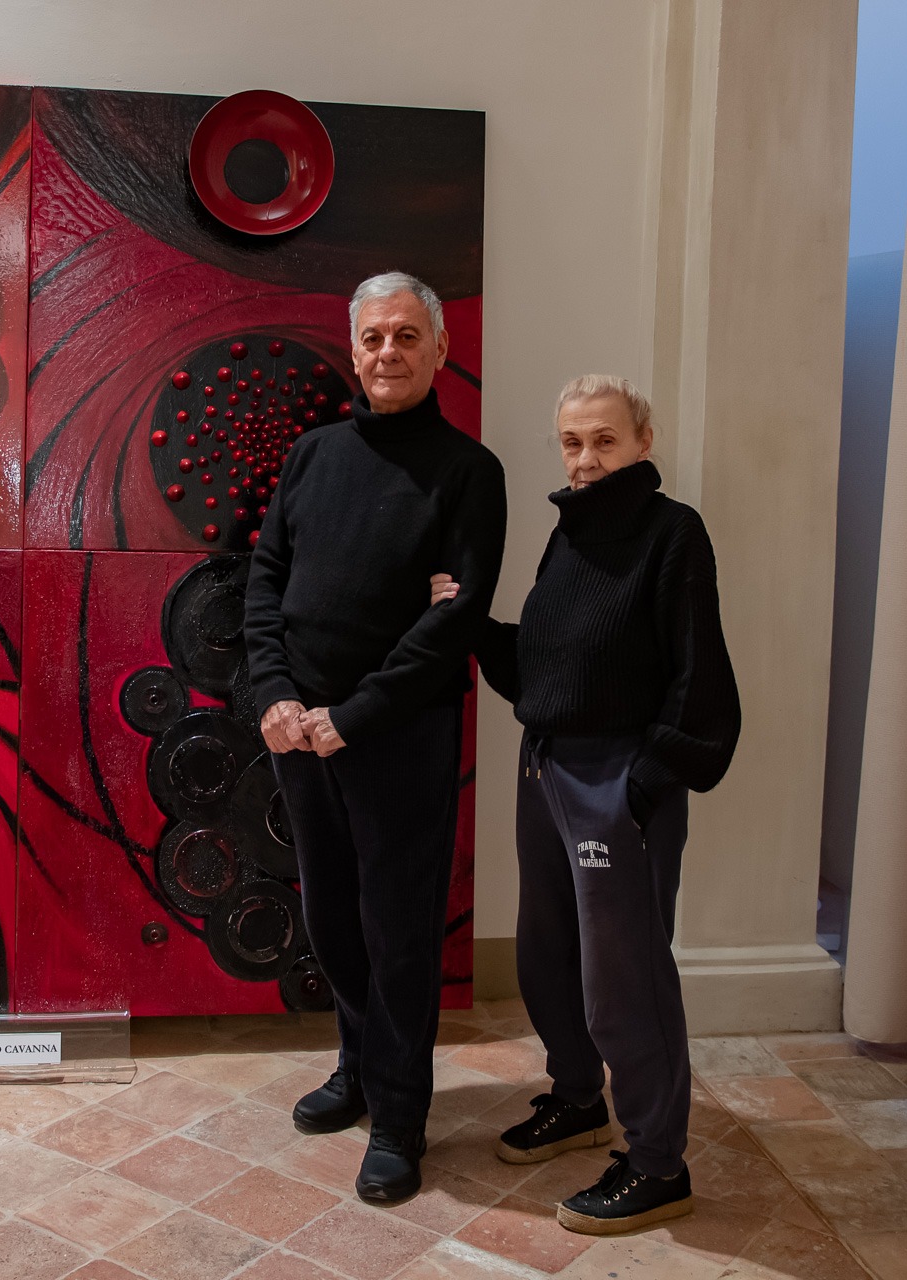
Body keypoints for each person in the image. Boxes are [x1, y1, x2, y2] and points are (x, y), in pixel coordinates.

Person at [431, 374, 739, 1234]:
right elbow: (547, 663)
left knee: (623, 979)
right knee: (547, 956)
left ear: (644, 441)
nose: (587, 459)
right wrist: (468, 621)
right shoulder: (568, 535)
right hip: (547, 768)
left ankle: (658, 1163)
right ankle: (577, 1097)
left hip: (618, 781)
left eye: (605, 440)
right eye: (573, 442)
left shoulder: (673, 533)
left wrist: (645, 782)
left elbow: (699, 674)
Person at [244, 271, 507, 1204]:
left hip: (397, 737)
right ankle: (357, 1064)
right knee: (331, 917)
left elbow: (451, 623)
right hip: (300, 734)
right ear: (353, 350)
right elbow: (266, 578)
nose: (388, 352)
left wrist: (349, 718)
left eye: (406, 336)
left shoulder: (470, 472)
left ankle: (399, 1115)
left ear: (439, 349)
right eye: (373, 338)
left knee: (399, 933)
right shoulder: (313, 455)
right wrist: (275, 693)